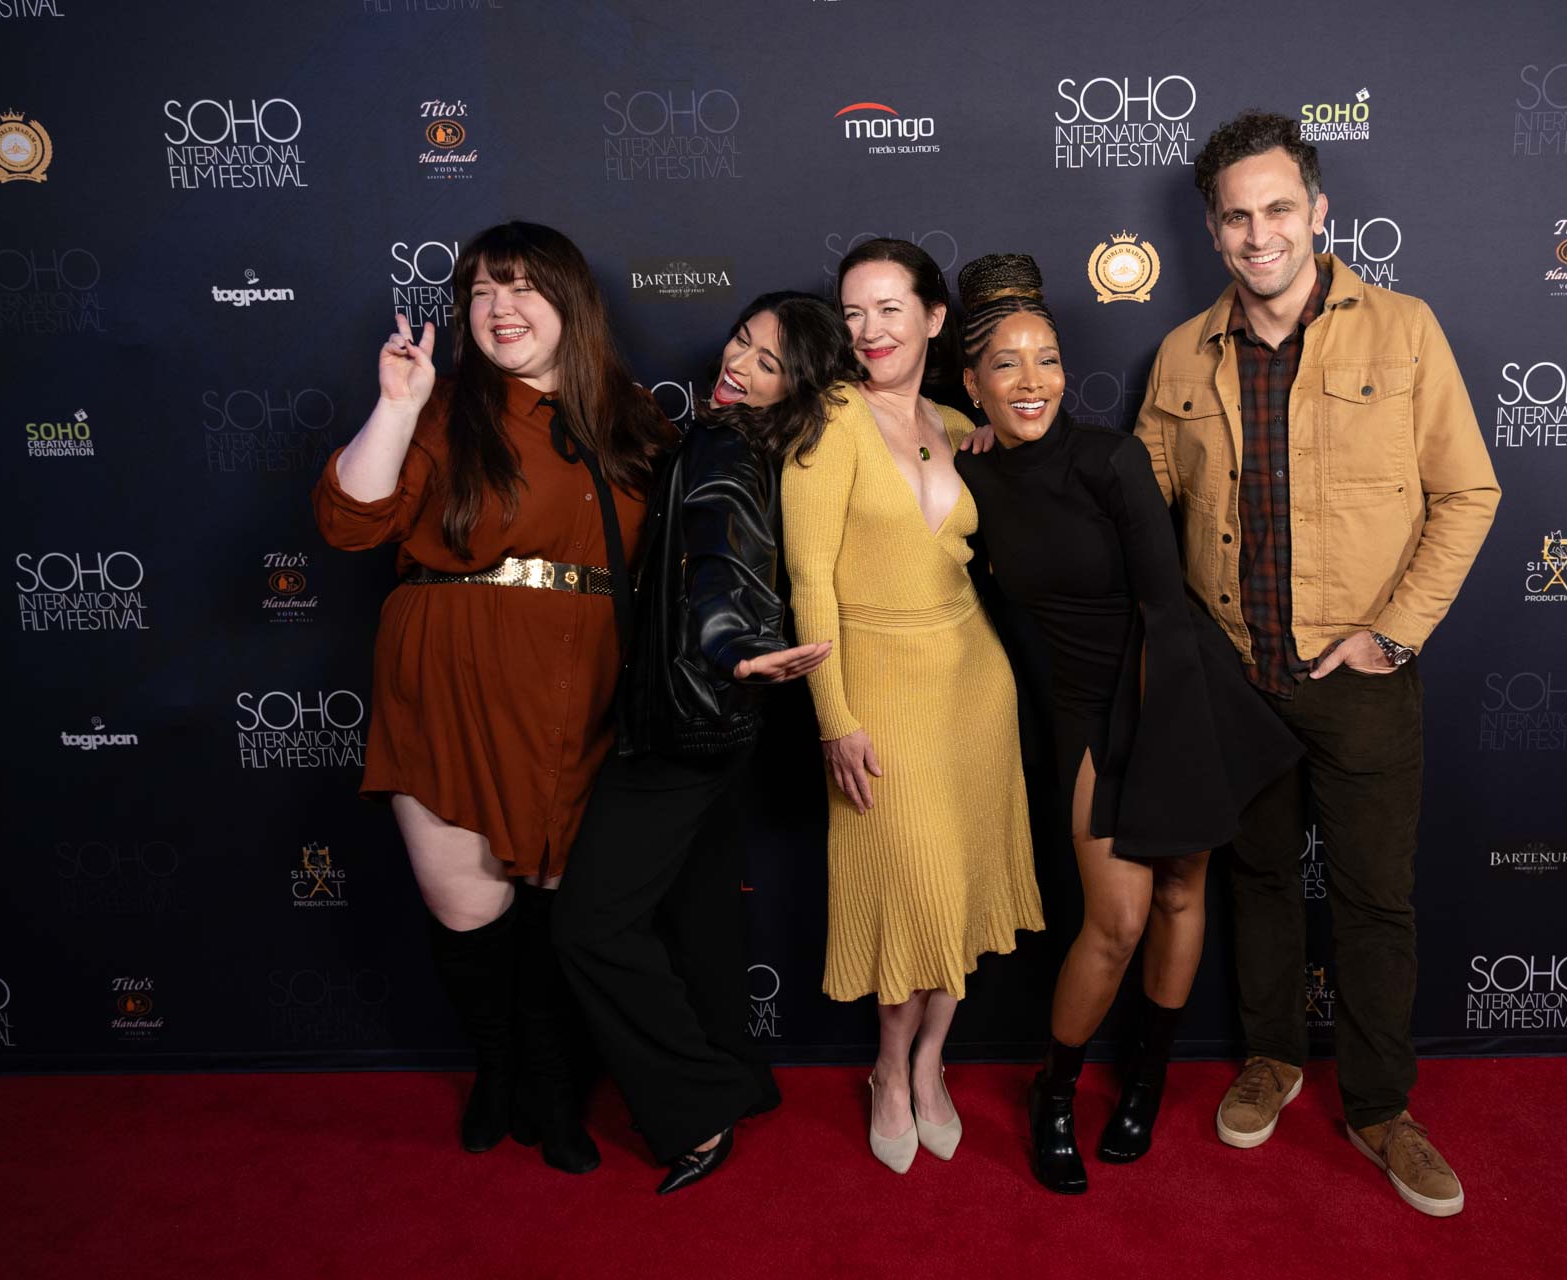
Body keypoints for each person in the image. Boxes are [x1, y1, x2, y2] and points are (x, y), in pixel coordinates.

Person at [1134, 113, 1500, 1217]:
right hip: (1235, 678)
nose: (1260, 235)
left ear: (1319, 210)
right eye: (1237, 215)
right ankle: (1273, 1058)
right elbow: (1141, 510)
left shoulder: (1404, 330)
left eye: (1279, 208)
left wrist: (1391, 632)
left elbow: (1467, 493)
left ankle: (1383, 1105)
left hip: (1364, 678)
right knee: (1256, 882)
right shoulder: (1179, 354)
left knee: (1374, 898)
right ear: (1211, 227)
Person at [312, 221, 674, 1174]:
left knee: (562, 913)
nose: (498, 308)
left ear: (571, 301)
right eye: (479, 292)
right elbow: (351, 525)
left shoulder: (633, 419)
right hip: (448, 681)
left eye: (520, 287)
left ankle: (554, 1089)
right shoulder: (444, 408)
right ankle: (496, 1069)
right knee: (467, 909)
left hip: (582, 688)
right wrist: (396, 406)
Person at [951, 254, 1300, 1194]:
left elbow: (1163, 606)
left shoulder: (1109, 458)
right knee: (1116, 920)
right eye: (1008, 365)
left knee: (1182, 895)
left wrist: (1159, 740)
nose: (1034, 383)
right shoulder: (965, 476)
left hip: (1174, 687)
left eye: (1049, 360)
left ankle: (1145, 1078)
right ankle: (1055, 1094)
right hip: (1078, 711)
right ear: (972, 382)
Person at [551, 292, 853, 1195]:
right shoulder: (756, 440)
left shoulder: (725, 445)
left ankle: (697, 1102)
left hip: (687, 718)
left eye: (767, 362)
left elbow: (719, 558)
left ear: (796, 387)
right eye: (742, 341)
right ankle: (739, 1074)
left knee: (589, 926)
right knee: (697, 916)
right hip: (720, 717)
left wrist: (733, 647)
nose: (739, 363)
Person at [782, 238, 1044, 1174]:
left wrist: (980, 432)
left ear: (934, 319)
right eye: (852, 313)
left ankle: (934, 1062)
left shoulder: (951, 418)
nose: (869, 331)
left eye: (890, 309)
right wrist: (834, 718)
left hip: (973, 679)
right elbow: (809, 580)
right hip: (879, 686)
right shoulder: (829, 420)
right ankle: (889, 1070)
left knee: (959, 891)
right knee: (913, 891)